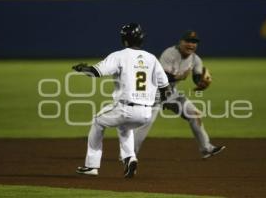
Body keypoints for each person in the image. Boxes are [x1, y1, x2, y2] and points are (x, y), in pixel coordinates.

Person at [73, 23, 170, 178]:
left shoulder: (119, 55)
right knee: (124, 127)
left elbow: (96, 72)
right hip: (146, 113)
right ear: (141, 38)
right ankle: (130, 158)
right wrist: (164, 101)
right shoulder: (152, 58)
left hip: (126, 108)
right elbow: (165, 87)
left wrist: (82, 69)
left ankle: (91, 166)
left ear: (124, 40)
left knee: (98, 121)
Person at [132, 30, 225, 159]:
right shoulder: (169, 53)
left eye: (194, 42)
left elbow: (197, 77)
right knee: (146, 122)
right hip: (154, 92)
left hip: (171, 93)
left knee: (194, 114)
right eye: (188, 41)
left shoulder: (196, 59)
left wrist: (202, 84)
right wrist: (179, 76)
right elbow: (162, 77)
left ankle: (206, 148)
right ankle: (129, 153)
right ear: (180, 42)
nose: (191, 45)